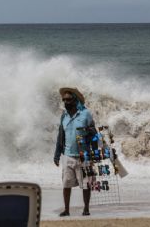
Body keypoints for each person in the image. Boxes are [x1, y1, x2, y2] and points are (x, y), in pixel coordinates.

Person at [54, 87, 97, 217]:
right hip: (67, 156)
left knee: (86, 184)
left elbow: (94, 135)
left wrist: (94, 154)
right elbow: (60, 135)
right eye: (64, 100)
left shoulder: (86, 114)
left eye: (68, 99)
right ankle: (66, 210)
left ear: (75, 100)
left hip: (84, 156)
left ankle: (86, 209)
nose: (66, 102)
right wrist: (57, 154)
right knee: (66, 184)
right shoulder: (64, 116)